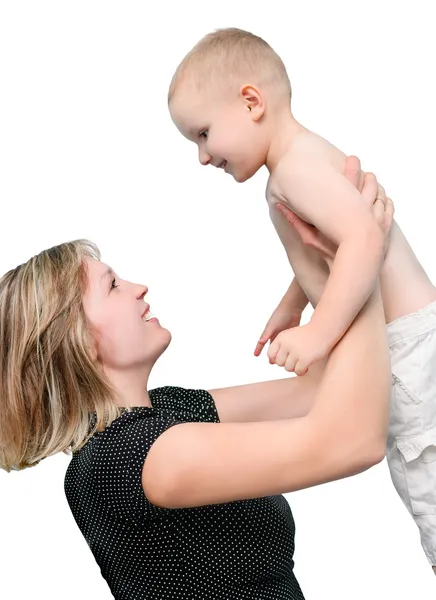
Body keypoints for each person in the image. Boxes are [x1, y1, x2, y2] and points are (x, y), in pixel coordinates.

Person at [0, 160, 391, 599]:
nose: (138, 288)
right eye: (112, 286)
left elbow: (322, 392)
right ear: (78, 341)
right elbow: (354, 439)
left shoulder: (165, 412)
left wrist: (330, 266)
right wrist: (364, 251)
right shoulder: (125, 460)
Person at [168, 28, 436, 572]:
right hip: (411, 341)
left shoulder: (293, 170)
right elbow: (334, 245)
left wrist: (319, 333)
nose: (201, 156)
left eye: (203, 133)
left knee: (425, 476)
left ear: (251, 102)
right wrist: (294, 302)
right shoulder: (298, 160)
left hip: (409, 351)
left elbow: (363, 239)